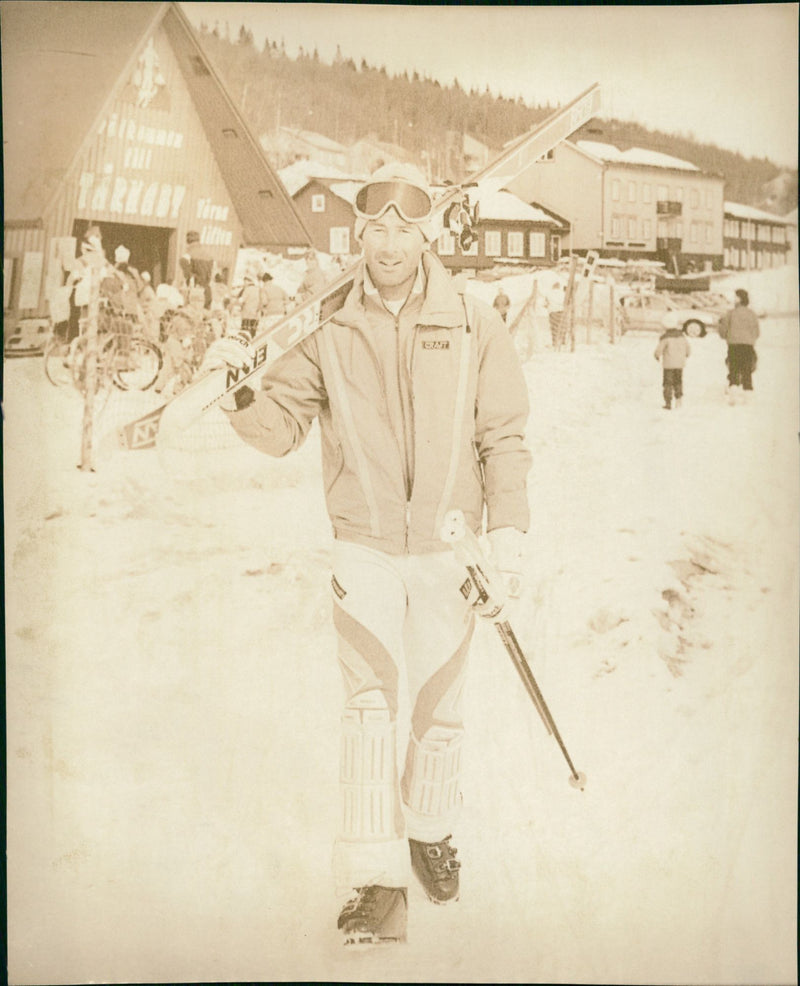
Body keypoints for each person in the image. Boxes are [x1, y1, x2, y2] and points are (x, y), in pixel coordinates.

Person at [199, 162, 532, 946]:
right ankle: (377, 884)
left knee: (440, 710)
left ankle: (430, 830)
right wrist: (240, 391)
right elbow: (279, 431)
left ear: (427, 232)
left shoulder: (475, 322)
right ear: (360, 233)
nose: (388, 242)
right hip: (366, 545)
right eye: (374, 226)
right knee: (368, 713)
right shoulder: (325, 328)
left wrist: (507, 542)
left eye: (403, 226)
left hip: (452, 548)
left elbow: (503, 437)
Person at [718, 288, 760, 403]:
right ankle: (748, 394)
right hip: (748, 345)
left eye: (735, 297)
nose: (733, 299)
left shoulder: (730, 313)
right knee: (747, 369)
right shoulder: (752, 314)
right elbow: (757, 332)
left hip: (734, 345)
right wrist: (750, 339)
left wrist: (722, 329)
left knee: (734, 369)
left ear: (740, 299)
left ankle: (733, 393)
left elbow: (723, 332)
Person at [654, 313, 691, 410]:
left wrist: (657, 356)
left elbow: (659, 350)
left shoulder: (665, 338)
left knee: (667, 383)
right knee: (678, 381)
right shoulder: (682, 336)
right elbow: (688, 348)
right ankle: (679, 399)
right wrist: (686, 355)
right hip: (679, 364)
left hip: (668, 365)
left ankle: (668, 402)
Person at [179, 230, 214, 309]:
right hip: (207, 292)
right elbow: (211, 277)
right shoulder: (209, 256)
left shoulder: (186, 256)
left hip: (195, 292)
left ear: (187, 241)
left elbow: (188, 276)